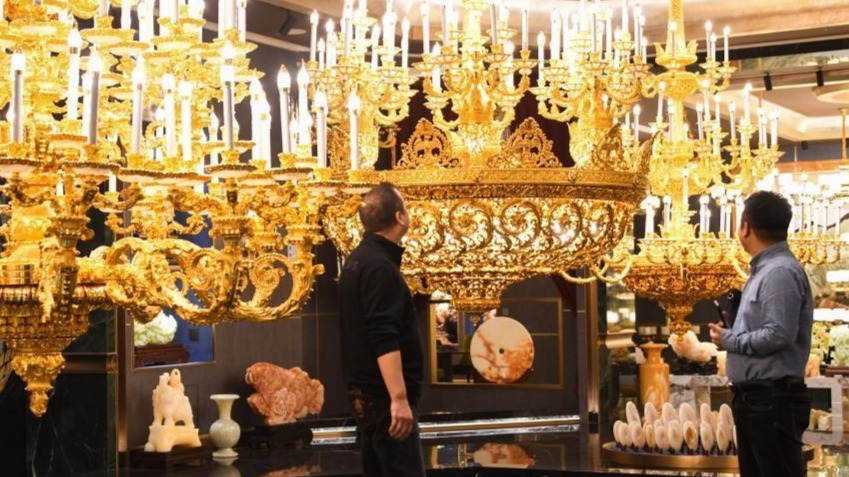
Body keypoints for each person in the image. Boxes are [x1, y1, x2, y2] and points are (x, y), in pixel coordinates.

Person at [709, 190, 813, 477]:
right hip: (759, 400)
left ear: (746, 227)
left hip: (771, 401)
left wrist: (729, 339)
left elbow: (779, 334)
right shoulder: (765, 271)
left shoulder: (778, 272)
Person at [339, 182, 426, 477]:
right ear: (400, 217)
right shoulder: (379, 267)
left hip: (369, 400)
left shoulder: (357, 261)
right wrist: (399, 399)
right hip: (387, 403)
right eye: (407, 207)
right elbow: (383, 336)